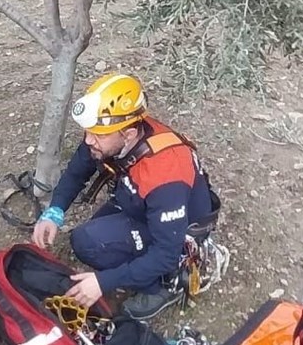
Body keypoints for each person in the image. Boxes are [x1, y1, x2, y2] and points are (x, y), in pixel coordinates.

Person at [32, 73, 229, 319]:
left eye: (98, 135)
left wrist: (103, 282)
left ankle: (164, 287)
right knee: (92, 237)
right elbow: (77, 170)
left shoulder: (164, 174)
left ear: (129, 134)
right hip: (140, 203)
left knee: (90, 243)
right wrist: (55, 211)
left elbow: (166, 252)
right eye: (87, 132)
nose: (88, 140)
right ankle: (141, 266)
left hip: (178, 227)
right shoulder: (111, 133)